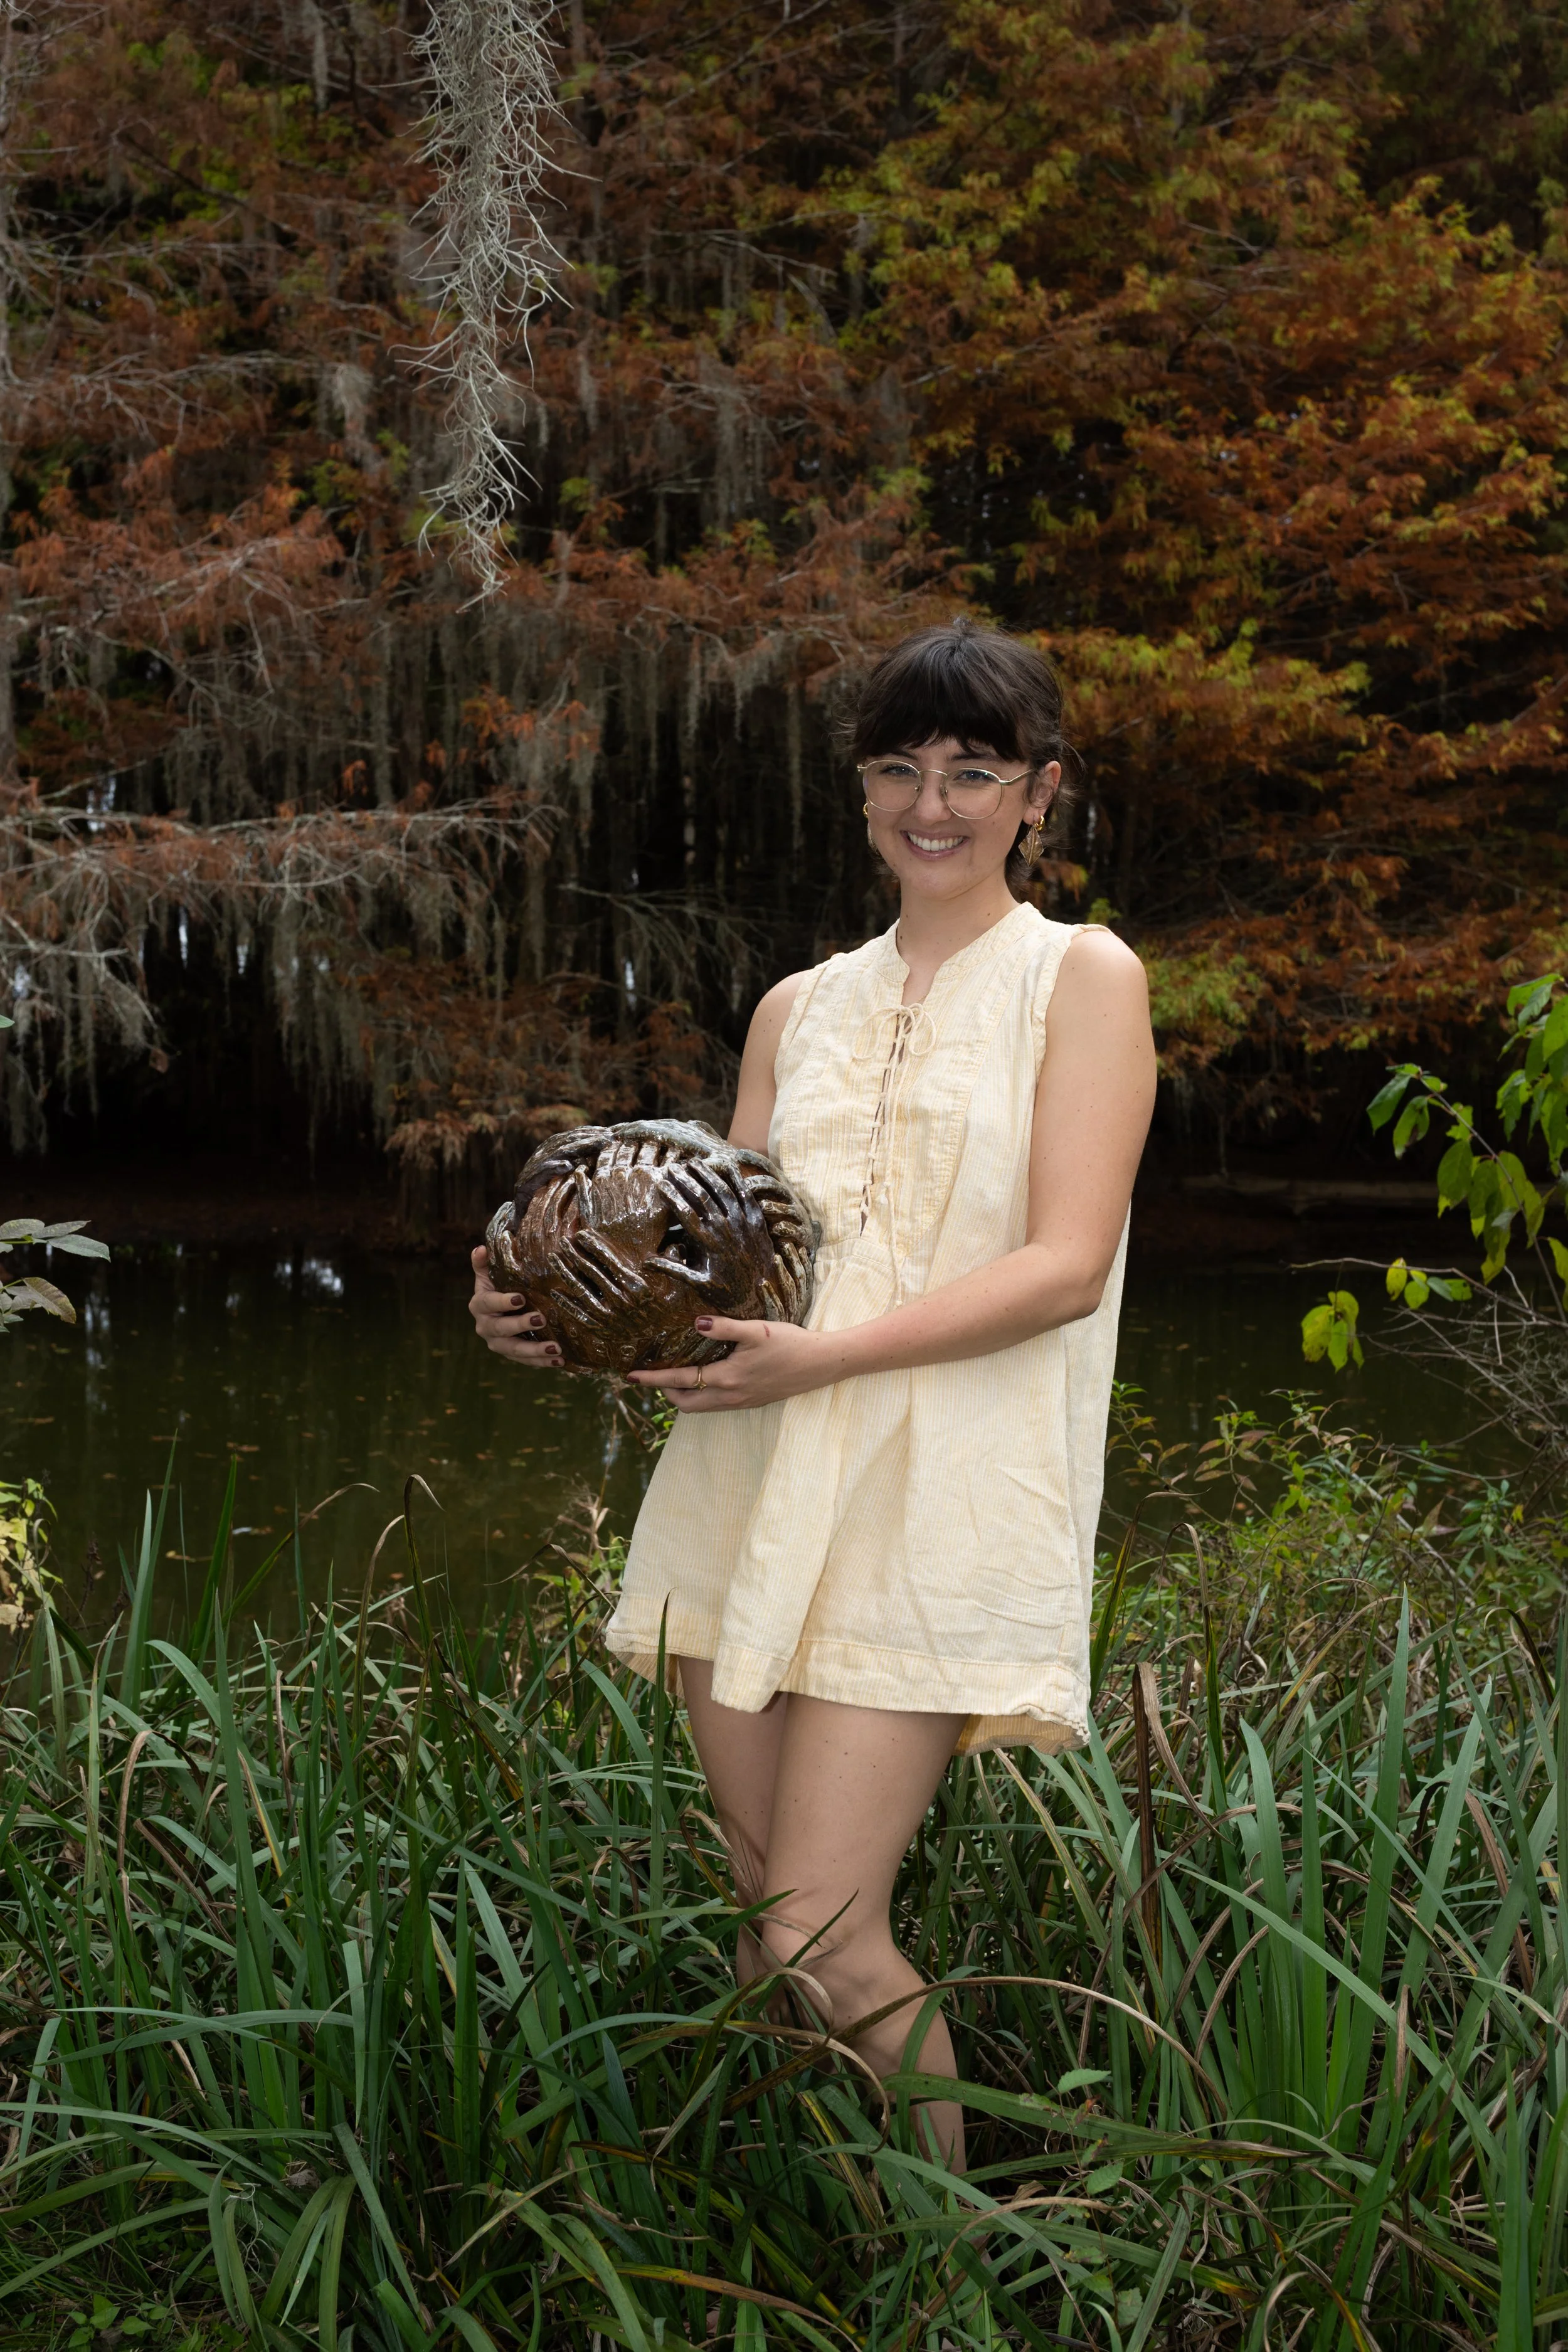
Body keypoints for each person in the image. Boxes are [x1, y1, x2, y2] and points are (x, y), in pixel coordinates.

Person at [469, 620, 1157, 2167]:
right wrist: (534, 1289)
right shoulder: (799, 1005)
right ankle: (808, 2247)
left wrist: (825, 1357)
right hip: (753, 1481)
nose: (935, 802)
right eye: (900, 770)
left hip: (938, 1492)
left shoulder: (1079, 978)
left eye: (974, 771)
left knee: (820, 1939)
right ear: (859, 793)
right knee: (763, 1932)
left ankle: (953, 2282)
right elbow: (715, 1253)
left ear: (1035, 794)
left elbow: (1064, 1263)